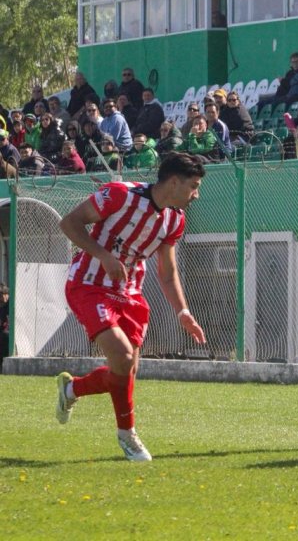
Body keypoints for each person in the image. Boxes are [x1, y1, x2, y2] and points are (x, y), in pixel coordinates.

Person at [55, 153, 207, 462]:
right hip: (89, 285)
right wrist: (104, 256)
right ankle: (127, 435)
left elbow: (167, 272)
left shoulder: (174, 219)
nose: (196, 195)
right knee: (123, 358)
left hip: (131, 294)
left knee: (125, 371)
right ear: (174, 182)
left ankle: (72, 390)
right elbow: (69, 223)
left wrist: (183, 312)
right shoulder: (120, 194)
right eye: (193, 186)